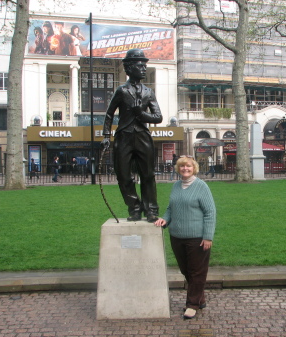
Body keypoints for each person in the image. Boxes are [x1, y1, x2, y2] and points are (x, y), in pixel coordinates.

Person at [101, 49, 163, 223]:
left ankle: (151, 209)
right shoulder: (121, 91)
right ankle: (134, 208)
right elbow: (109, 114)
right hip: (124, 137)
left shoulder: (149, 92)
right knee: (124, 176)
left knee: (148, 175)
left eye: (145, 65)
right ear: (129, 68)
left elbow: (158, 117)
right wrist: (106, 135)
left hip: (143, 136)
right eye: (139, 65)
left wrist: (140, 114)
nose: (143, 68)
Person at [154, 156, 216, 319]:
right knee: (185, 270)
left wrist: (208, 236)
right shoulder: (176, 185)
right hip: (177, 236)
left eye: (188, 166)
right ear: (178, 168)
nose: (185, 169)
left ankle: (192, 304)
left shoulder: (201, 186)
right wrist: (165, 219)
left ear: (193, 168)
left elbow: (210, 212)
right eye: (182, 166)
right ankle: (200, 298)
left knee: (197, 272)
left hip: (197, 237)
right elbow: (171, 207)